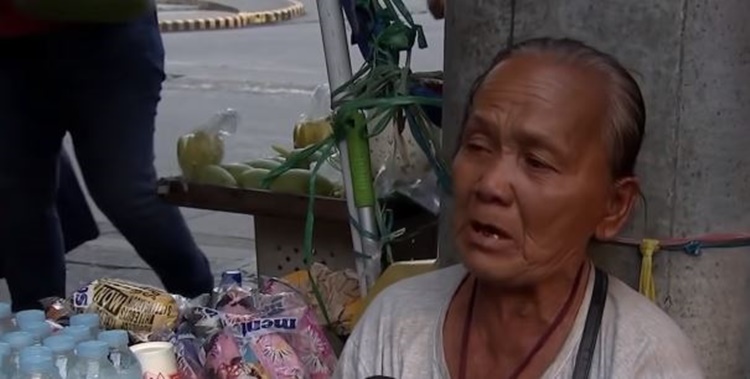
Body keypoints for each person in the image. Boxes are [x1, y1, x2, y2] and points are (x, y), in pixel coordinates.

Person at [334, 37, 704, 378]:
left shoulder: (644, 360)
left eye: (537, 162)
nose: (491, 184)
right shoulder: (395, 323)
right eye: (478, 146)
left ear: (613, 206)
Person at [0, 3, 214, 311]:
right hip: (10, 46)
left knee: (125, 192)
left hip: (110, 33)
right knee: (20, 201)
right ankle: (40, 332)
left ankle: (205, 305)